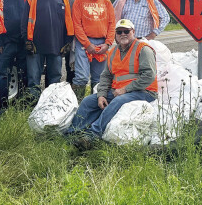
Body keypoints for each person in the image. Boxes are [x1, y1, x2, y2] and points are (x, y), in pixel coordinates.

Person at [66, 19, 157, 149]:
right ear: (115, 34)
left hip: (144, 92)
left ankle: (92, 135)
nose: (123, 34)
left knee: (118, 101)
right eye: (119, 32)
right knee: (88, 101)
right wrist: (101, 95)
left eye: (126, 31)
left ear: (134, 32)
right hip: (119, 91)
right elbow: (106, 76)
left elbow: (149, 76)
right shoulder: (113, 51)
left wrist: (126, 89)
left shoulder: (143, 50)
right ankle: (73, 133)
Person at [21, 0, 74, 99]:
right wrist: (26, 41)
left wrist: (67, 41)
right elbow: (24, 21)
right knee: (33, 79)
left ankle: (50, 106)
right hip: (35, 46)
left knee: (55, 79)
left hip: (56, 47)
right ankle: (32, 106)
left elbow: (68, 21)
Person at [71, 0, 115, 101]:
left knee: (99, 78)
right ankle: (77, 106)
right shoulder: (79, 1)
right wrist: (87, 44)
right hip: (84, 43)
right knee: (82, 77)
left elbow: (112, 24)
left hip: (102, 43)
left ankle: (95, 104)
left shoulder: (107, 2)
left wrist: (107, 44)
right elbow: (76, 25)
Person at [0, 0, 29, 114]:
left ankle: (22, 106)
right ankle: (1, 107)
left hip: (23, 43)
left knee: (24, 73)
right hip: (6, 41)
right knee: (2, 74)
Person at [60, 0, 82, 85]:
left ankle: (70, 93)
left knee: (71, 66)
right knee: (54, 67)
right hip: (57, 34)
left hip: (73, 36)